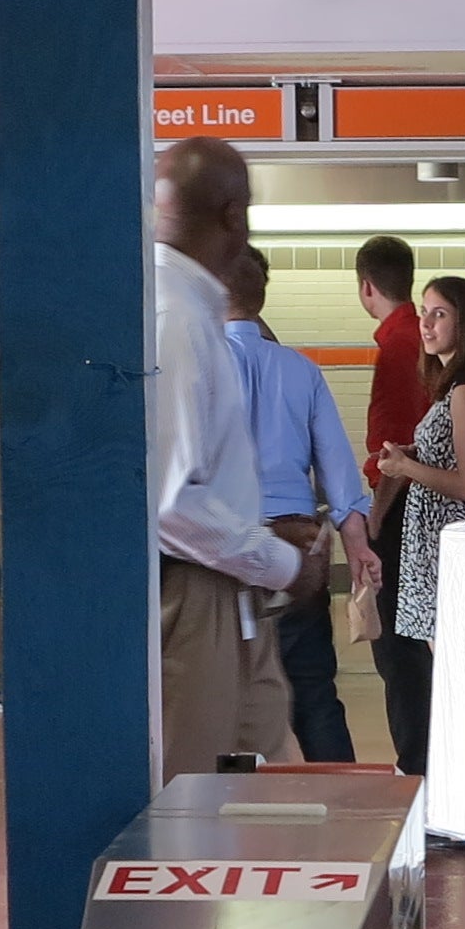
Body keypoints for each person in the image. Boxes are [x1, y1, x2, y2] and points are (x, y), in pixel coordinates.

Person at [150, 136, 303, 776]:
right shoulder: (173, 316)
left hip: (236, 596)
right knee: (198, 801)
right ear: (233, 216)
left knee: (280, 781)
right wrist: (283, 562)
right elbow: (168, 502)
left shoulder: (192, 309)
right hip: (199, 600)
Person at [221, 246, 374, 762]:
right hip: (297, 545)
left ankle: (226, 818)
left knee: (222, 698)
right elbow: (338, 469)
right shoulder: (301, 370)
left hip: (220, 547)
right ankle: (346, 816)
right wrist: (357, 547)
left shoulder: (195, 364)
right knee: (312, 688)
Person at [371, 275, 465, 797]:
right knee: (452, 683)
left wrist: (409, 465)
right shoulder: (451, 388)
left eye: (439, 314)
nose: (426, 324)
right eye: (425, 312)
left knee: (462, 685)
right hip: (435, 553)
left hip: (455, 554)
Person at [354, 234, 432, 776]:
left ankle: (417, 762)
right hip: (432, 509)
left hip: (402, 509)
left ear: (365, 288)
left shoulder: (396, 346)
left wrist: (374, 523)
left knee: (397, 649)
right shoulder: (425, 336)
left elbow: (392, 452)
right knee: (419, 643)